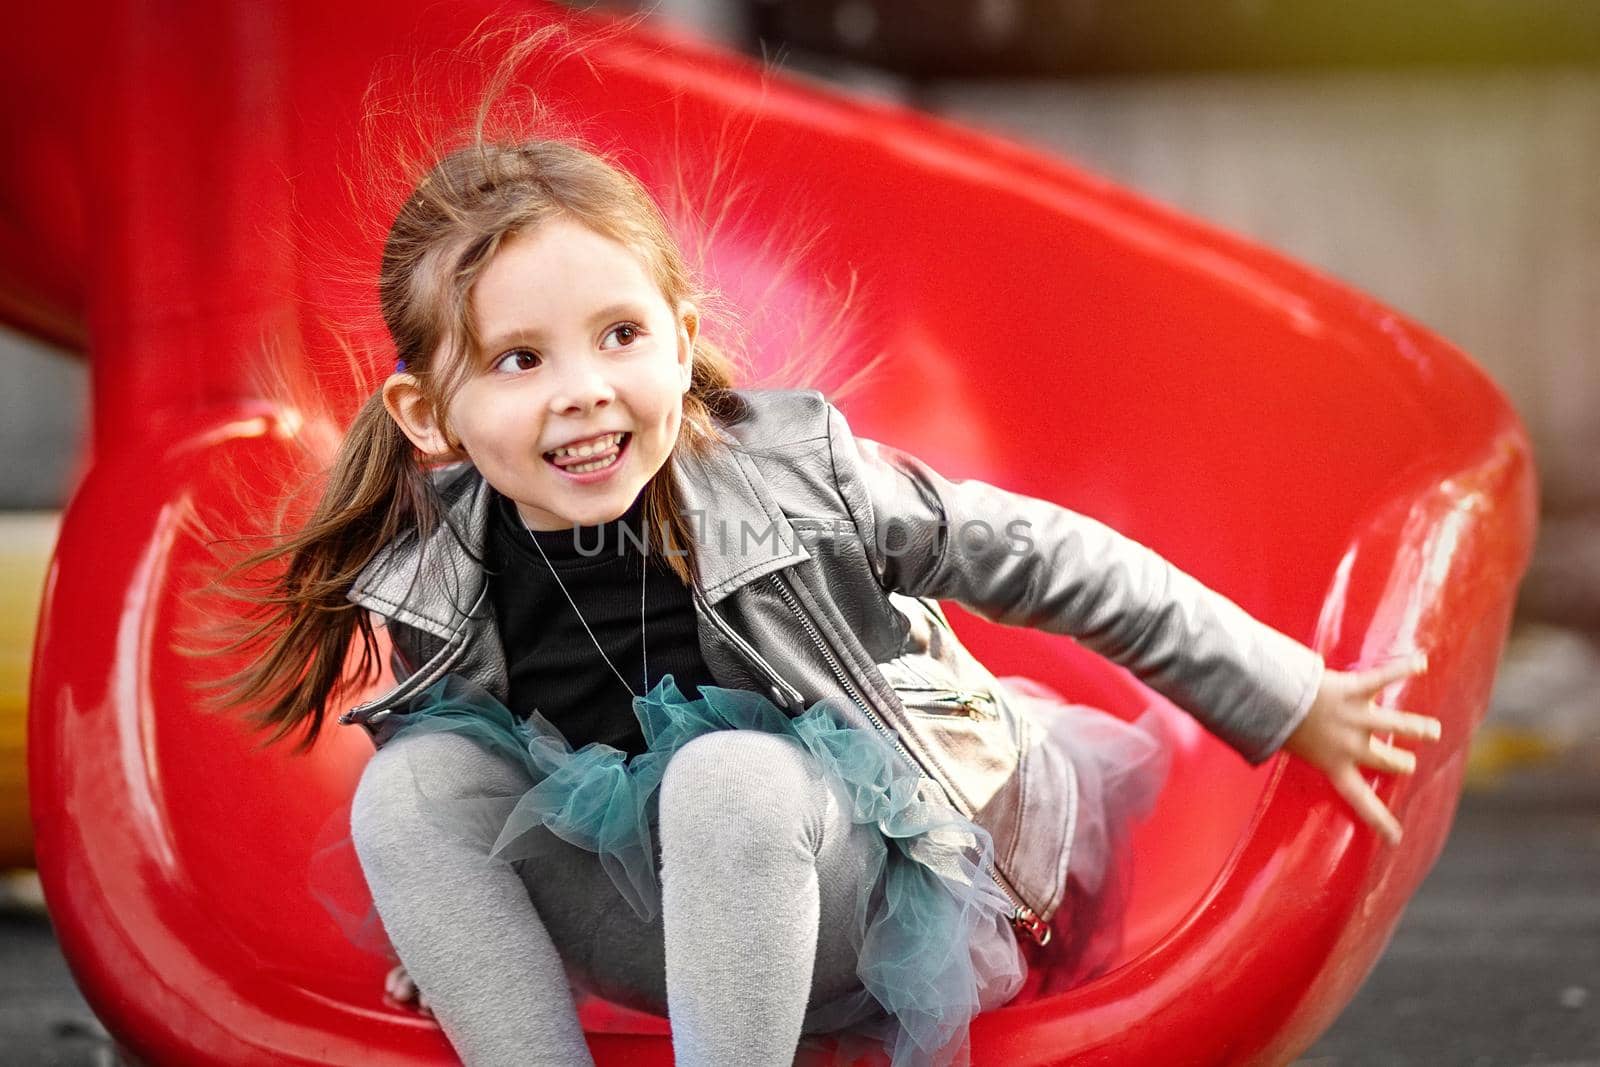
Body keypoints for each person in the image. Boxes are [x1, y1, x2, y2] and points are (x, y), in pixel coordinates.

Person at [198, 120, 1443, 1067]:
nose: (582, 389)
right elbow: (463, 808)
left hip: (874, 896)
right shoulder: (437, 562)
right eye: (520, 359)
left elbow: (1057, 557)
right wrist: (453, 933)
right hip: (672, 929)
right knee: (409, 783)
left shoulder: (800, 484)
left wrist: (1288, 695)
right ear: (429, 416)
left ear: (681, 337)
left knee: (725, 769)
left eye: (620, 335)